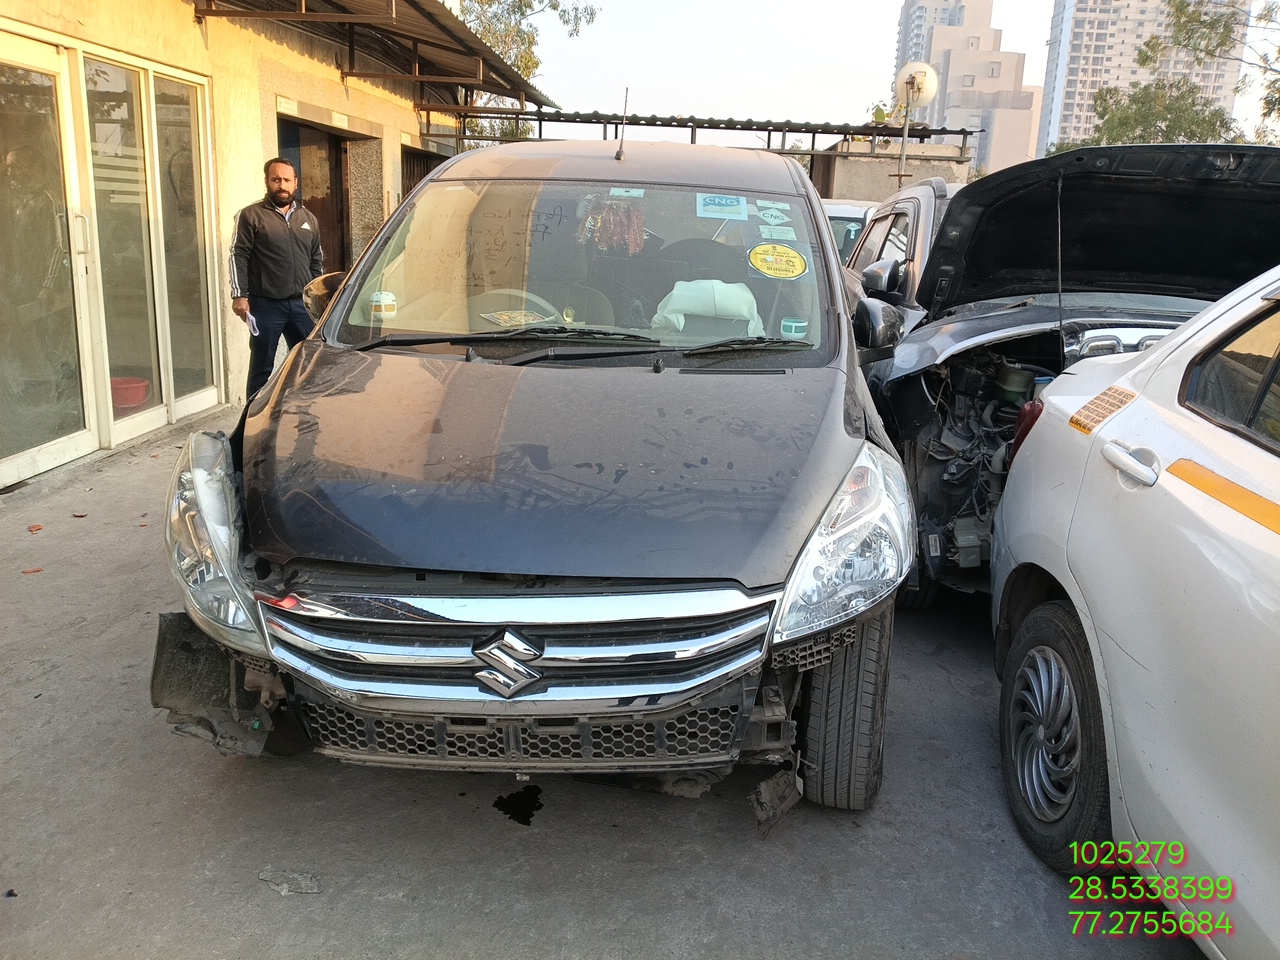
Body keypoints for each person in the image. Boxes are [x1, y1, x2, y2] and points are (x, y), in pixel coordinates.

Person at [229, 157, 323, 397]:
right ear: (267, 182)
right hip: (265, 305)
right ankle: (252, 425)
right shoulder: (251, 216)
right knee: (261, 368)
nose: (282, 185)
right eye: (276, 179)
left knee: (309, 363)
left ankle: (305, 414)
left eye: (287, 180)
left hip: (301, 306)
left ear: (296, 183)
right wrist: (239, 295)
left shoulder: (308, 218)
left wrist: (320, 297)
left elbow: (316, 260)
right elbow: (238, 255)